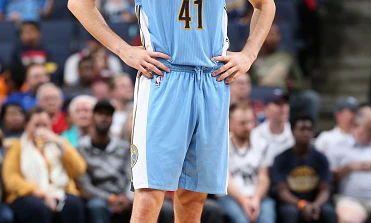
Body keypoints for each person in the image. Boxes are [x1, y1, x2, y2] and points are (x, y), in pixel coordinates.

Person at [68, 0, 276, 222]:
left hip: (212, 78)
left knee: (193, 197)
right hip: (164, 76)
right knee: (149, 193)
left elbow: (265, 4)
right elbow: (78, 3)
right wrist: (123, 50)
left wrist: (249, 55)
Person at [2, 106, 86, 223]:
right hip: (29, 195)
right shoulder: (17, 147)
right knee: (39, 209)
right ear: (27, 125)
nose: (41, 130)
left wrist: (60, 144)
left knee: (72, 205)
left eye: (45, 125)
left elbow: (79, 169)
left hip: (59, 193)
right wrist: (40, 193)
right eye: (36, 125)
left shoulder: (60, 143)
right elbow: (11, 179)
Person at [272, 114, 337, 223]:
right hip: (292, 202)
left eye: (309, 129)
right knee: (289, 212)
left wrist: (315, 206)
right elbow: (282, 191)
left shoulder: (320, 158)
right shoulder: (281, 158)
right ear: (293, 131)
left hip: (315, 201)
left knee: (328, 212)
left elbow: (325, 189)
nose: (306, 133)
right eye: (302, 129)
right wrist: (302, 205)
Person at [77, 100, 132, 223]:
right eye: (100, 114)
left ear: (112, 119)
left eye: (108, 115)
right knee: (97, 206)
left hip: (123, 195)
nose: (104, 118)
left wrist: (126, 197)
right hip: (98, 197)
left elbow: (131, 177)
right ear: (92, 118)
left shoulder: (123, 147)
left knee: (158, 207)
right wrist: (111, 198)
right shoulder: (81, 148)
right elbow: (84, 185)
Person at [219, 102, 275, 223]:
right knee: (241, 220)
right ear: (230, 122)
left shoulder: (262, 144)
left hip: (258, 197)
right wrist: (243, 200)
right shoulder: (221, 145)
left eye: (250, 122)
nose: (247, 127)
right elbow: (225, 180)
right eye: (242, 123)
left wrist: (256, 199)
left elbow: (263, 177)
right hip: (230, 196)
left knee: (267, 218)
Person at [328, 108, 371, 223]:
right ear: (356, 126)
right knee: (348, 219)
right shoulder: (338, 146)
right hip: (351, 199)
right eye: (369, 129)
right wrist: (349, 168)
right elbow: (328, 177)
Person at [250, 88, 294, 168]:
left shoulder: (295, 132)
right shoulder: (256, 134)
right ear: (266, 109)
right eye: (278, 103)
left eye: (285, 103)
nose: (283, 107)